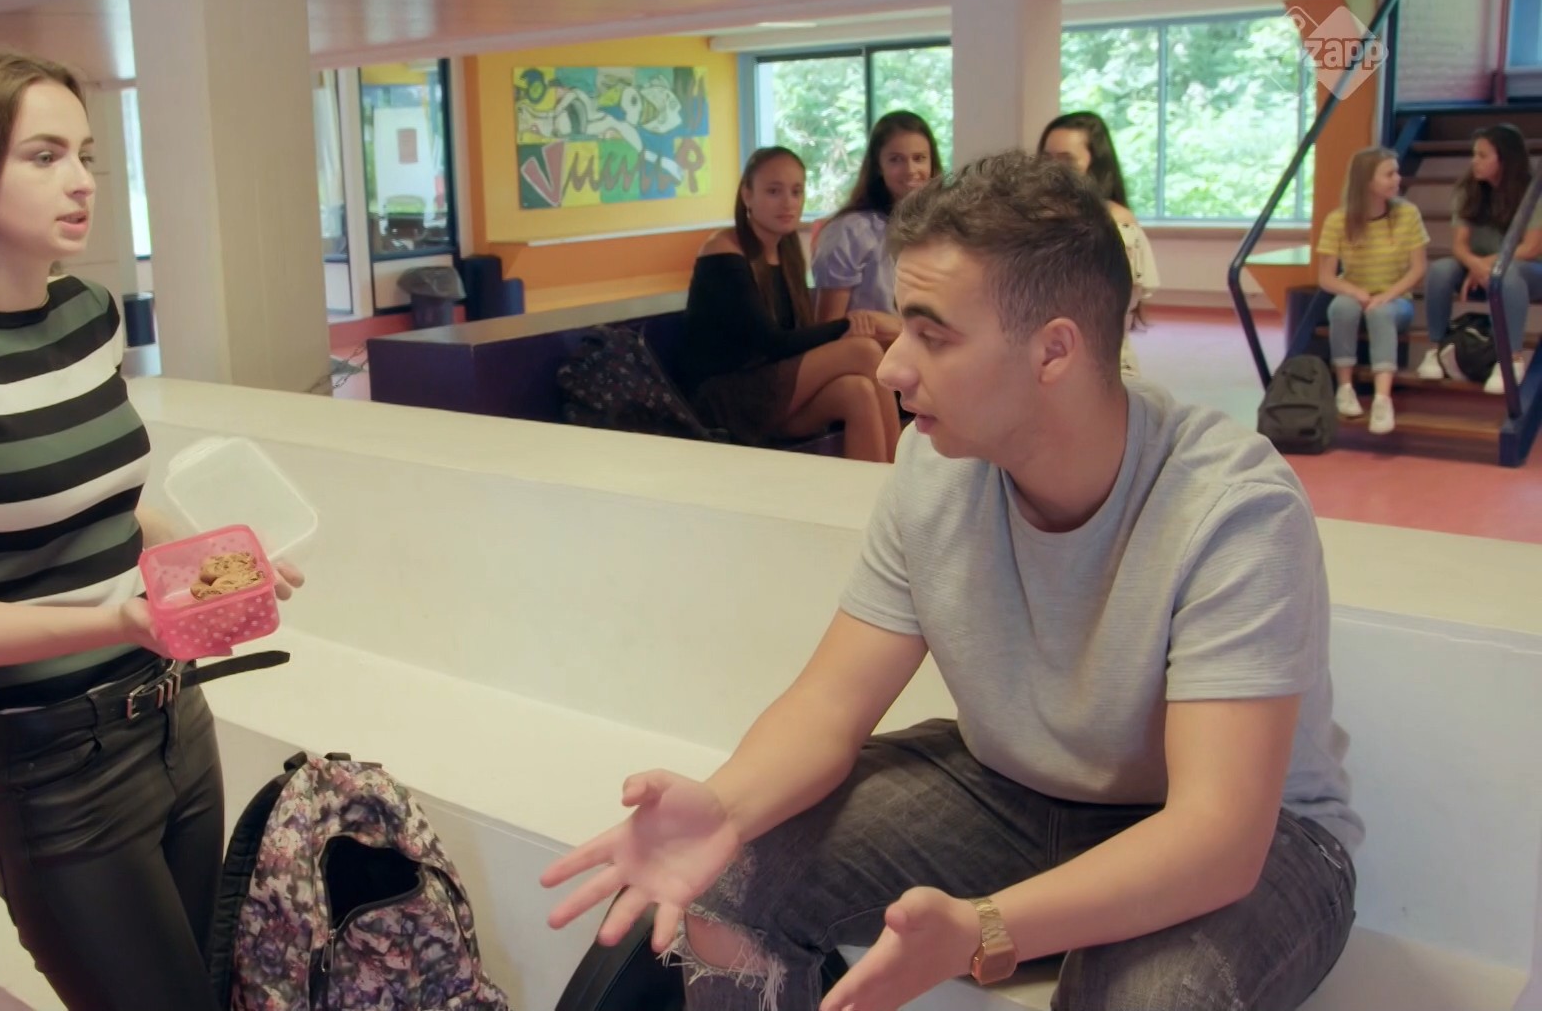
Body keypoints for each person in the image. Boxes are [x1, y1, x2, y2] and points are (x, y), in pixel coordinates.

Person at [542, 151, 1360, 1011]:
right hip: (1011, 791)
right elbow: (829, 703)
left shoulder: (1232, 507)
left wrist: (987, 926)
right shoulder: (934, 465)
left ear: (1053, 351)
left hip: (1252, 838)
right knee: (724, 879)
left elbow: (1217, 837)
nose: (892, 367)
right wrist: (725, 808)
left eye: (933, 336)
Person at [0, 51, 303, 1011]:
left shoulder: (89, 316)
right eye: (43, 157)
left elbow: (106, 505)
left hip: (174, 718)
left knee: (214, 992)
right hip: (51, 768)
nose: (82, 181)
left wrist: (206, 563)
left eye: (85, 155)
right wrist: (114, 619)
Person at [675, 146, 901, 463]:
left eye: (797, 192)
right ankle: (901, 478)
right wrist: (846, 326)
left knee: (857, 391)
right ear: (747, 195)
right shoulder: (722, 250)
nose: (788, 203)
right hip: (726, 398)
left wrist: (846, 329)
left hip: (770, 390)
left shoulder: (787, 250)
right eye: (774, 191)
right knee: (864, 350)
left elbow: (793, 337)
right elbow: (771, 343)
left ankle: (878, 488)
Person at [1418, 123, 1542, 394]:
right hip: (1481, 266)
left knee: (1508, 275)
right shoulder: (1469, 189)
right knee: (1440, 270)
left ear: (1504, 159)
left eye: (1483, 155)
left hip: (1527, 270)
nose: (1474, 161)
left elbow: (1531, 248)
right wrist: (1477, 265)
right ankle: (1435, 348)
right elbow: (1459, 246)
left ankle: (1511, 360)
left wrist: (1486, 265)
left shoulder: (1533, 191)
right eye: (1474, 154)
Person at [1315, 146, 1428, 435]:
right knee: (1340, 307)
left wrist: (1386, 296)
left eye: (1397, 172)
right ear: (1367, 181)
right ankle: (1345, 388)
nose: (1397, 179)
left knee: (1381, 313)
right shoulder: (1338, 220)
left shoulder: (1408, 214)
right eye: (1389, 174)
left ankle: (1382, 399)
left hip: (1396, 299)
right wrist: (1355, 292)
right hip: (1356, 292)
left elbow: (1418, 270)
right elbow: (1326, 277)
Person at [1039, 111, 1159, 379]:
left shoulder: (1116, 224)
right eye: (1046, 159)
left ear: (1096, 166)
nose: (1053, 171)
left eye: (1067, 161)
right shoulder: (1035, 217)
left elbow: (1108, 312)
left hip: (1097, 364)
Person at [810, 111, 944, 322]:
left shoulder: (944, 230)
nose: (910, 170)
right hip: (867, 342)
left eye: (919, 158)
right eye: (895, 160)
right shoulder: (850, 232)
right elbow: (829, 327)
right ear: (878, 166)